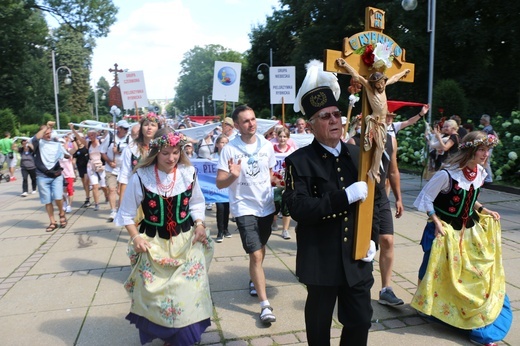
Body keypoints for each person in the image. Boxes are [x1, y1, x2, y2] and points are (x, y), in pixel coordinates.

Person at [283, 86, 375, 345]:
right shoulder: (299, 161)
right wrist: (343, 197)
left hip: (356, 256)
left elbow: (376, 203)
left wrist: (373, 238)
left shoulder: (359, 156)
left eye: (336, 114)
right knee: (319, 325)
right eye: (325, 116)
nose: (334, 120)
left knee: (360, 321)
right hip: (321, 257)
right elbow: (299, 208)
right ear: (311, 126)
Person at [114, 128, 213, 346]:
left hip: (186, 242)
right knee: (158, 298)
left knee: (186, 294)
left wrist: (200, 224)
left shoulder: (188, 173)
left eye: (176, 152)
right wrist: (136, 238)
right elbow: (127, 214)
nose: (172, 158)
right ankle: (171, 335)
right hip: (153, 245)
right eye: (166, 153)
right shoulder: (141, 177)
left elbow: (196, 202)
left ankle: (183, 337)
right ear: (156, 151)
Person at [411, 131, 511, 345]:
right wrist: (435, 221)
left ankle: (455, 308)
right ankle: (423, 305)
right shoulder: (447, 175)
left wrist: (485, 209)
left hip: (466, 230)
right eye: (481, 150)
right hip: (442, 229)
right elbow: (426, 198)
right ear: (470, 150)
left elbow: (471, 197)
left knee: (467, 273)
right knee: (430, 265)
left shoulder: (480, 173)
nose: (485, 154)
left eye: (487, 150)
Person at [216, 105, 278, 325]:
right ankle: (264, 305)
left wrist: (277, 188)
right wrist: (233, 176)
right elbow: (220, 183)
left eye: (253, 119)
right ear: (237, 125)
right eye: (245, 121)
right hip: (244, 207)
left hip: (266, 206)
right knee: (255, 254)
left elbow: (270, 174)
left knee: (260, 249)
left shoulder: (267, 146)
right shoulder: (230, 150)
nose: (251, 123)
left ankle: (255, 278)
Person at [336, 57, 410, 182]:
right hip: (374, 121)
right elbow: (357, 76)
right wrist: (345, 64)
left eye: (382, 82)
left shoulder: (384, 86)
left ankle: (374, 170)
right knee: (378, 147)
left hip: (382, 123)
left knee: (381, 147)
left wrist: (403, 72)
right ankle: (373, 171)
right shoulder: (370, 89)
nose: (380, 85)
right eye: (378, 83)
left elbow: (395, 78)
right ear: (373, 84)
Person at [32, 121, 69, 232]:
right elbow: (36, 137)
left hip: (56, 174)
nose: (48, 135)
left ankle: (62, 213)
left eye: (50, 132)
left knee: (58, 197)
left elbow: (66, 154)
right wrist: (46, 127)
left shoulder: (55, 143)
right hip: (42, 176)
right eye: (46, 133)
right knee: (47, 200)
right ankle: (52, 222)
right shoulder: (37, 143)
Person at [118, 113, 161, 201]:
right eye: (146, 125)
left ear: (158, 128)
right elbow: (125, 176)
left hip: (158, 195)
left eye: (153, 125)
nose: (149, 128)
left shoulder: (163, 148)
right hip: (137, 195)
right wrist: (122, 204)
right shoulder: (131, 148)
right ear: (141, 128)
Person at [100, 119, 131, 221]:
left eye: (127, 128)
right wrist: (109, 162)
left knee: (121, 191)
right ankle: (113, 211)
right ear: (119, 128)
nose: (126, 130)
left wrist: (118, 151)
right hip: (111, 169)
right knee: (112, 189)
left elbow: (131, 152)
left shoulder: (129, 138)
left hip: (124, 169)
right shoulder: (110, 137)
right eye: (124, 129)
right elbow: (102, 152)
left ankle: (122, 209)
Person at [272, 126, 296, 240]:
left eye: (285, 137)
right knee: (275, 204)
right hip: (275, 182)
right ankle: (274, 221)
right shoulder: (272, 149)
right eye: (280, 136)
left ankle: (285, 230)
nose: (282, 139)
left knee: (286, 206)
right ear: (277, 137)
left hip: (287, 182)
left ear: (288, 138)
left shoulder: (292, 150)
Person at [211, 134, 231, 242]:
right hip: (216, 188)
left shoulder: (230, 156)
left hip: (227, 187)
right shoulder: (212, 157)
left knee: (227, 208)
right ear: (217, 144)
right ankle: (220, 231)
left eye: (226, 143)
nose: (224, 145)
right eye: (222, 142)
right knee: (220, 208)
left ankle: (226, 229)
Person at [59, 137, 76, 213]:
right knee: (62, 191)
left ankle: (69, 205)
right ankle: (65, 203)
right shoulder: (56, 153)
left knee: (69, 190)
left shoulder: (68, 151)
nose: (61, 145)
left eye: (62, 143)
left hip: (69, 174)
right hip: (60, 174)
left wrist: (72, 140)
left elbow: (75, 148)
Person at [480, 114, 495, 184]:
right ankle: (487, 177)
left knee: (486, 162)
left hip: (488, 147)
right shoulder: (490, 128)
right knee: (485, 162)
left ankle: (489, 178)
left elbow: (485, 139)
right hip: (488, 147)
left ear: (485, 121)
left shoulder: (487, 129)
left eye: (481, 119)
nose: (480, 121)